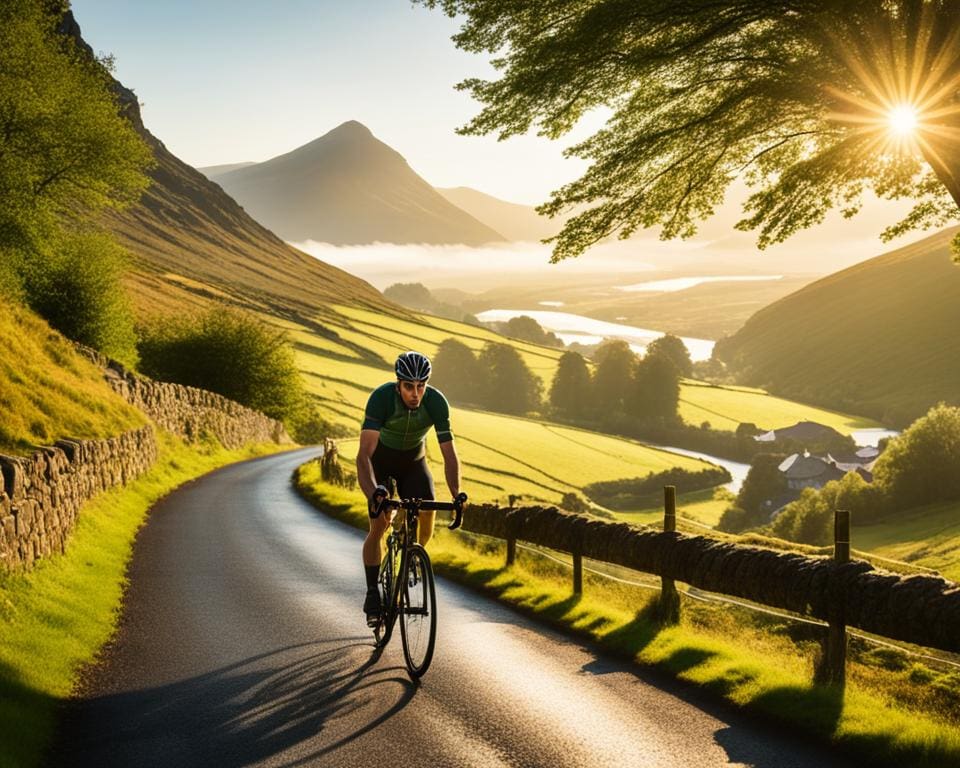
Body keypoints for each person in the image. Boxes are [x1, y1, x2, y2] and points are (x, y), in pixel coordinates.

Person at [356, 350, 462, 623]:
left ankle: (411, 559)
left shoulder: (436, 402)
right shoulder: (381, 399)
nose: (415, 393)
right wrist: (374, 493)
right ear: (398, 384)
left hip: (413, 462)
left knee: (428, 511)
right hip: (380, 461)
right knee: (379, 525)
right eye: (409, 386)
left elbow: (449, 455)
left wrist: (456, 494)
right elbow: (364, 455)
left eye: (421, 386)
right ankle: (372, 594)